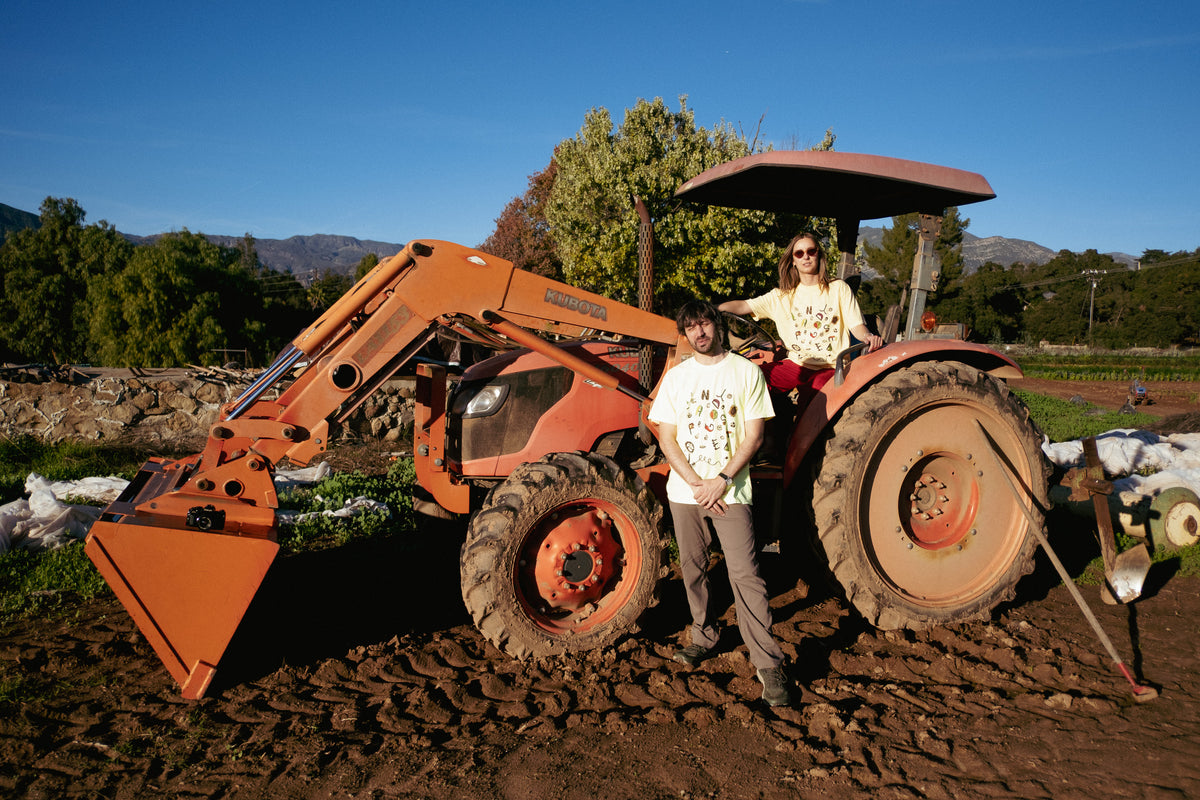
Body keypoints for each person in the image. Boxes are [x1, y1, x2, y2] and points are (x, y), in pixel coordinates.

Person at [648, 299, 792, 707]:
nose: (700, 332)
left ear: (717, 325)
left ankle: (768, 663)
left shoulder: (745, 372)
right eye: (691, 326)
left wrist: (722, 480)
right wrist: (697, 483)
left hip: (730, 492)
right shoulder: (677, 377)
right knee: (693, 568)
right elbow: (666, 437)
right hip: (687, 493)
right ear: (685, 333)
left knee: (746, 574)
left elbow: (754, 436)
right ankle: (704, 636)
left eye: (705, 323)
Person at [718, 232, 883, 411]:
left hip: (830, 367)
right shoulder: (781, 296)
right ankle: (761, 426)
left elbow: (857, 325)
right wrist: (710, 309)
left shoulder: (838, 289)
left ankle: (800, 428)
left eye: (811, 251)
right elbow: (743, 306)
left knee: (816, 397)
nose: (806, 256)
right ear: (793, 261)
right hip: (796, 364)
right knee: (750, 379)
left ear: (818, 255)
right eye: (799, 253)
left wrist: (867, 336)